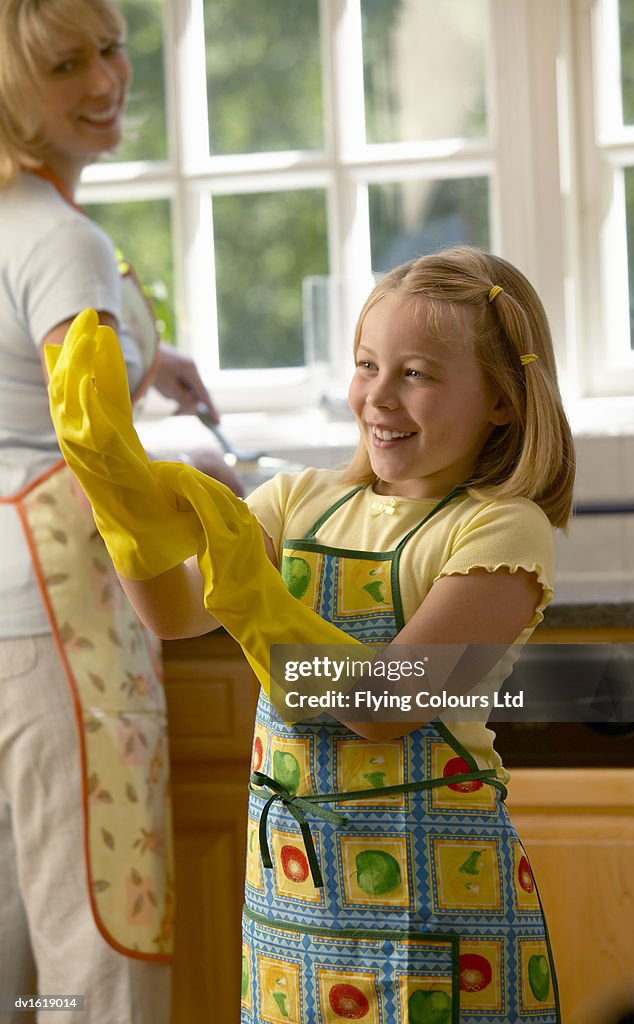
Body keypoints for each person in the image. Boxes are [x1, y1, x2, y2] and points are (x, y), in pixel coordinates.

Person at [46, 245, 576, 1023]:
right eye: (368, 365)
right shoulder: (300, 499)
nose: (379, 397)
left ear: (502, 399)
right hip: (295, 909)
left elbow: (383, 705)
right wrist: (117, 493)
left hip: (438, 922)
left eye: (417, 374)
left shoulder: (501, 529)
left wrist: (256, 591)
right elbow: (174, 613)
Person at [0, 1, 241, 1021]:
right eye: (66, 64)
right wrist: (208, 500)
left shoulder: (17, 218)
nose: (106, 83)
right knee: (95, 936)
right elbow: (89, 443)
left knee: (15, 940)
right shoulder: (62, 241)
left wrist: (143, 365)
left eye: (112, 50)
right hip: (64, 621)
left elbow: (36, 395)